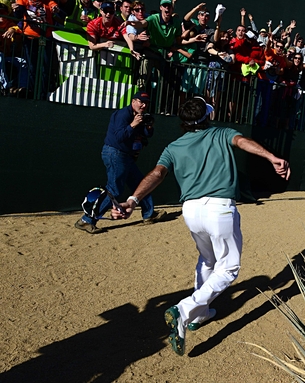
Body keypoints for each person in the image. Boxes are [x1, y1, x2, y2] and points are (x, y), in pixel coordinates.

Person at [111, 97, 290, 356]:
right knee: (228, 268)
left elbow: (157, 173)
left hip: (191, 211)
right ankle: (185, 309)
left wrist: (132, 200)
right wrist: (271, 156)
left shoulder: (173, 146)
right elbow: (242, 142)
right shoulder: (222, 133)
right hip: (219, 208)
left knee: (207, 259)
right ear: (207, 115)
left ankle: (200, 314)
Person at [75, 91, 164, 234]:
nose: (143, 105)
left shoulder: (139, 116)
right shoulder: (123, 115)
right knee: (114, 189)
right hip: (115, 153)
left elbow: (146, 135)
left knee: (141, 184)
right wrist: (133, 125)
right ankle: (87, 220)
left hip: (125, 156)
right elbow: (118, 137)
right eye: (140, 101)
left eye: (146, 103)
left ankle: (149, 214)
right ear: (133, 101)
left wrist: (148, 126)